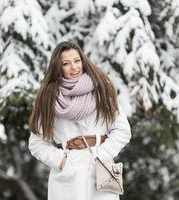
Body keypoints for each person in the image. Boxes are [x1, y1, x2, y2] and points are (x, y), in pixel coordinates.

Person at [28, 41, 131, 200]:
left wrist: (100, 155)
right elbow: (36, 142)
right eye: (66, 63)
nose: (74, 67)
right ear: (58, 67)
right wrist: (61, 161)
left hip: (102, 168)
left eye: (77, 61)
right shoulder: (48, 98)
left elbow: (123, 130)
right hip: (69, 171)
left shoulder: (102, 90)